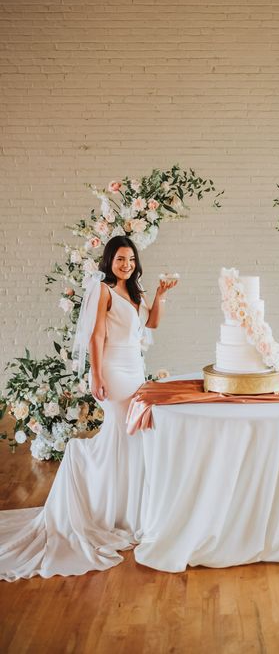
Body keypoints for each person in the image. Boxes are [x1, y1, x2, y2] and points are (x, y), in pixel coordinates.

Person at [0, 236, 177, 581]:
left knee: (131, 437)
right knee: (122, 433)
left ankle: (123, 512)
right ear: (109, 260)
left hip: (135, 370)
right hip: (113, 371)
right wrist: (96, 375)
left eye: (130, 259)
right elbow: (96, 336)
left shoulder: (133, 292)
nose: (125, 264)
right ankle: (82, 469)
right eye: (119, 259)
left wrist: (162, 294)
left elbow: (152, 324)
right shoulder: (104, 290)